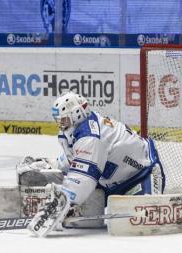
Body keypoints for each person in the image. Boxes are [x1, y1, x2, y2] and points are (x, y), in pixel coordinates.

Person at [26, 92, 166, 237]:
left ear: (77, 114)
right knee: (84, 214)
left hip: (143, 173)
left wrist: (62, 202)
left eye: (65, 120)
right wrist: (52, 164)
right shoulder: (75, 130)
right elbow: (75, 159)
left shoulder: (91, 136)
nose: (61, 125)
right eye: (59, 121)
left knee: (148, 219)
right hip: (111, 183)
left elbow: (83, 179)